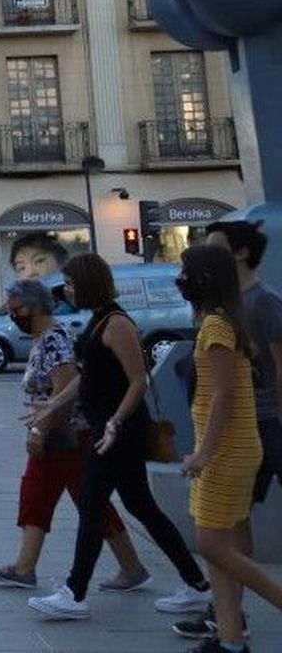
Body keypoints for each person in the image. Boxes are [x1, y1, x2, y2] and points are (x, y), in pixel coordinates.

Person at [27, 253, 210, 620]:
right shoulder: (99, 321)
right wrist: (54, 404)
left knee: (92, 508)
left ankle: (73, 594)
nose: (68, 291)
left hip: (118, 435)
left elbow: (139, 381)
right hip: (110, 431)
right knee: (142, 507)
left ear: (89, 283)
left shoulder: (116, 323)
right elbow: (87, 377)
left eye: (72, 284)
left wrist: (113, 423)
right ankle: (197, 585)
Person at [0, 279, 148, 591]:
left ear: (36, 307)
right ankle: (25, 567)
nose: (13, 316)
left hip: (68, 436)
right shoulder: (45, 337)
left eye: (17, 309)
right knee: (38, 495)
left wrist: (39, 428)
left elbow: (66, 388)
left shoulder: (53, 340)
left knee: (88, 502)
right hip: (60, 436)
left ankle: (131, 566)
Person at [171, 245, 282, 653]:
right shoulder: (221, 321)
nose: (180, 278)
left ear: (203, 278)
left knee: (213, 545)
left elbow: (222, 395)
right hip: (230, 449)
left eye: (185, 270)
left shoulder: (216, 326)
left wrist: (203, 453)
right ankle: (230, 639)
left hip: (226, 452)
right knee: (220, 551)